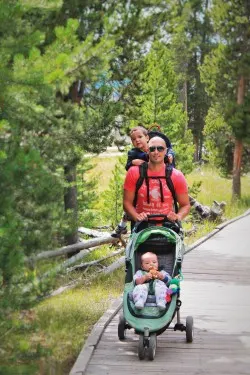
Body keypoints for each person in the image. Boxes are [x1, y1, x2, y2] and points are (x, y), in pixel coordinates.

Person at [111, 126, 175, 237]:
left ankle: (169, 228)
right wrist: (133, 163)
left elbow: (168, 150)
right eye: (134, 139)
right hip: (142, 182)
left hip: (160, 180)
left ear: (147, 138)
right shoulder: (133, 153)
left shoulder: (156, 147)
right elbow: (128, 165)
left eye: (140, 137)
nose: (137, 140)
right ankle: (122, 225)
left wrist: (170, 155)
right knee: (131, 202)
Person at [123, 136, 190, 223]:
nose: (156, 152)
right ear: (147, 150)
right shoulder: (134, 172)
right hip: (141, 227)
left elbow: (185, 205)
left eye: (160, 149)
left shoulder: (176, 175)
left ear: (166, 151)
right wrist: (137, 216)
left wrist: (178, 216)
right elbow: (127, 203)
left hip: (168, 227)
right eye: (152, 149)